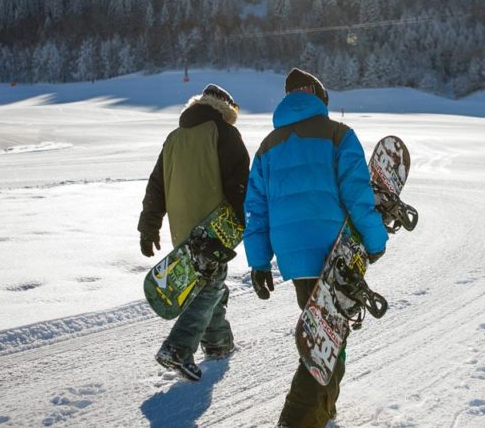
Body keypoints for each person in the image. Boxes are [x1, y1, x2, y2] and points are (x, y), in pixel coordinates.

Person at [244, 68, 388, 427]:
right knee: (326, 339)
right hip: (335, 251)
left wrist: (260, 262)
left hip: (294, 257)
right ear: (319, 97)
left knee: (324, 332)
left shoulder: (267, 147)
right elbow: (358, 195)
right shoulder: (339, 134)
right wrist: (374, 240)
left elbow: (255, 209)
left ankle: (322, 410)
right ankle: (296, 418)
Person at [137, 83, 250, 381]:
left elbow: (156, 186)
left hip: (182, 229)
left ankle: (217, 343)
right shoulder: (223, 132)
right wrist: (245, 223)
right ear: (225, 108)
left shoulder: (174, 138)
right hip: (213, 228)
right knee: (211, 284)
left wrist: (149, 226)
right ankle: (178, 347)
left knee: (209, 282)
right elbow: (239, 185)